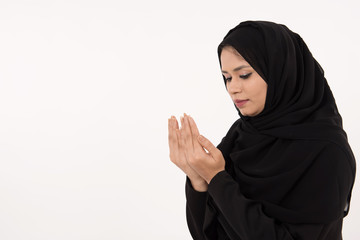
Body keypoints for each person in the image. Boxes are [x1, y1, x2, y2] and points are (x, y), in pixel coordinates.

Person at [168, 21, 356, 240]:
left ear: (280, 71)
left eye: (244, 75)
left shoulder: (327, 153)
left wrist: (217, 179)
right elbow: (207, 235)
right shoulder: (240, 136)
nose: (232, 88)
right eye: (227, 77)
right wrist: (199, 182)